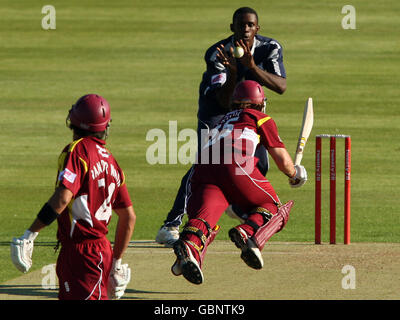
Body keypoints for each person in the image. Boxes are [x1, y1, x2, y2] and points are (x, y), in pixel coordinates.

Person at [156, 6, 287, 247]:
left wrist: (252, 67)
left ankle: (239, 205)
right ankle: (171, 225)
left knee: (259, 163)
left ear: (257, 28)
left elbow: (281, 86)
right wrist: (235, 73)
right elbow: (223, 100)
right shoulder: (218, 53)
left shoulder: (270, 48)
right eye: (241, 25)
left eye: (250, 25)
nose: (245, 29)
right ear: (232, 27)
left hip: (249, 112)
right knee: (208, 163)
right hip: (216, 112)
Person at [170, 80, 307, 285]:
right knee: (273, 207)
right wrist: (296, 173)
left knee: (203, 221)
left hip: (202, 170)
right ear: (260, 103)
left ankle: (189, 246)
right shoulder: (259, 117)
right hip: (234, 163)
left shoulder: (222, 121)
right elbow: (283, 162)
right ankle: (248, 233)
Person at [10, 94, 136, 300]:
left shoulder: (78, 151)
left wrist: (30, 235)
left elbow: (63, 197)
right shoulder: (113, 163)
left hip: (83, 254)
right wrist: (116, 264)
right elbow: (129, 217)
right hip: (97, 250)